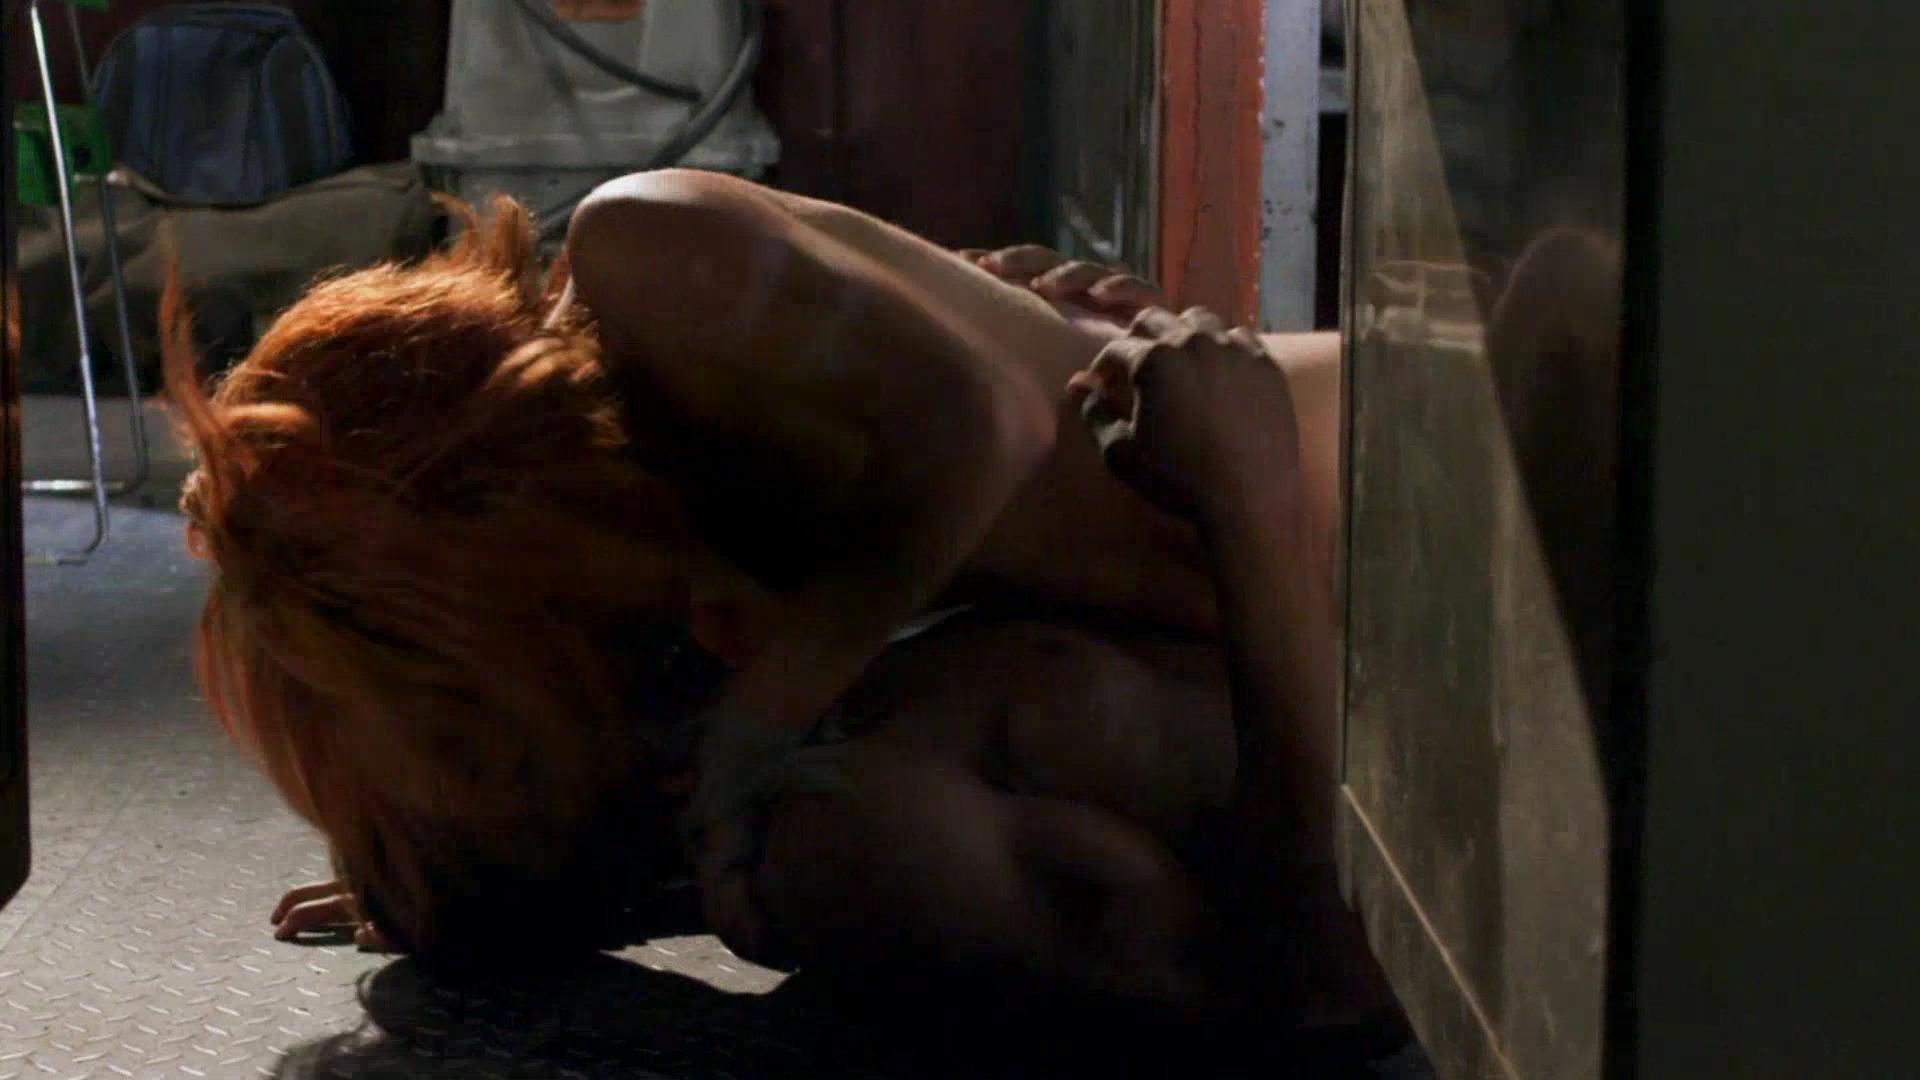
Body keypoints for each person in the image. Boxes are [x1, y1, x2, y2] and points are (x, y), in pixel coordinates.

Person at [166, 169, 1356, 1015]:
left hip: (1361, 485)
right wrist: (474, 874)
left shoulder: (641, 254)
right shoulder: (668, 497)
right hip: (1269, 603)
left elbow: (988, 419)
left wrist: (769, 709)